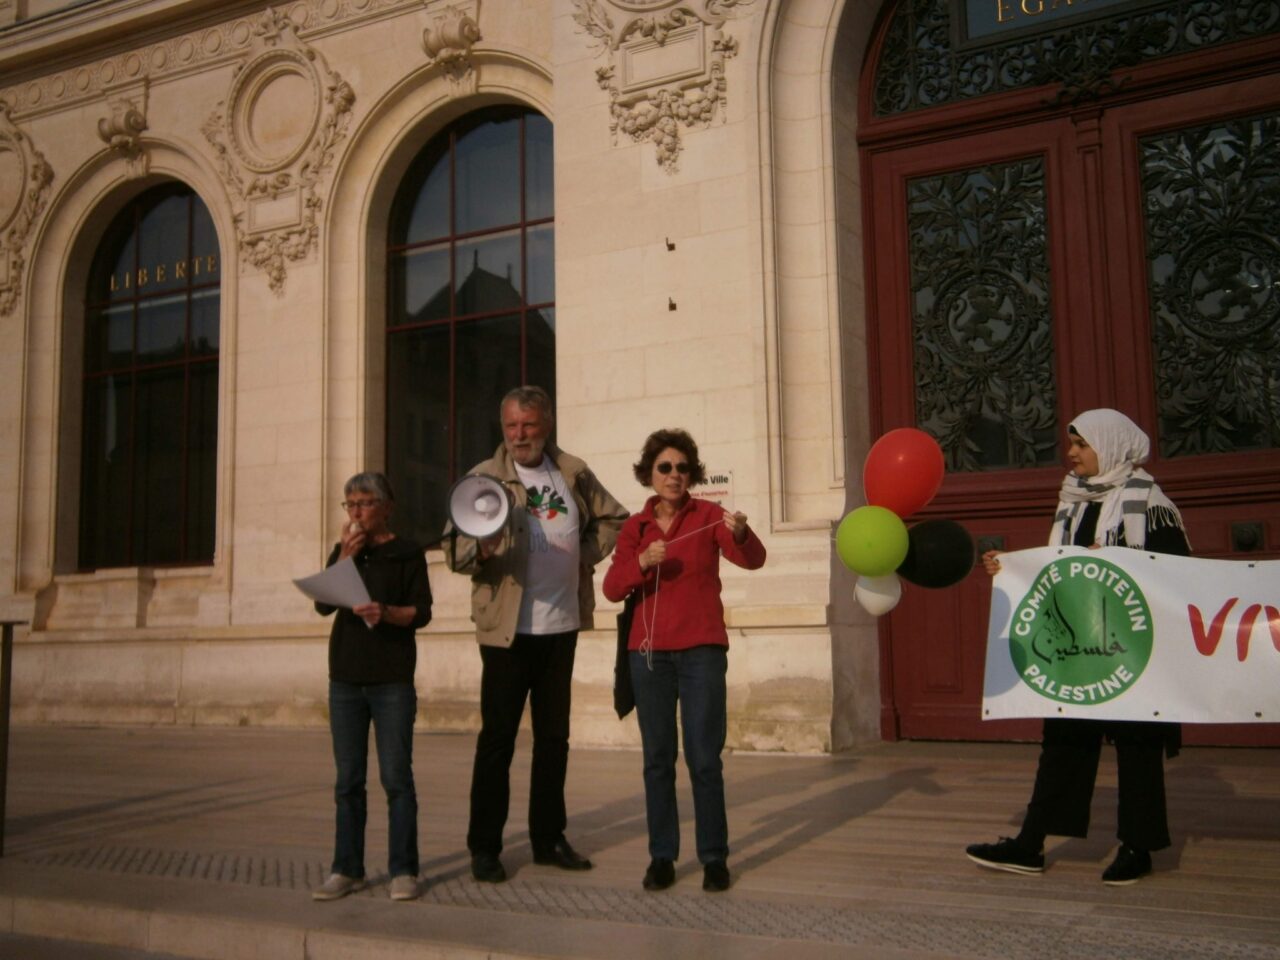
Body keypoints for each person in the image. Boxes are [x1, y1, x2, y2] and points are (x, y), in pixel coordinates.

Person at [966, 409, 1190, 886]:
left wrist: (1118, 560)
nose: (1071, 454)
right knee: (1064, 740)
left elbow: (1176, 572)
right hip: (1081, 648)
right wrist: (1011, 566)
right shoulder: (1073, 502)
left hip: (1132, 647)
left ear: (1109, 445)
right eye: (1072, 444)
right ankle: (1030, 844)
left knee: (1137, 745)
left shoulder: (1150, 504)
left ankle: (1138, 847)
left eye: (1081, 444)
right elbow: (1060, 565)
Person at [444, 386, 628, 883]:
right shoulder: (483, 478)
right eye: (511, 425)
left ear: (546, 425)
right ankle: (485, 847)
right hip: (507, 632)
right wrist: (481, 551)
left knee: (554, 740)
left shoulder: (572, 471)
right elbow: (454, 552)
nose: (519, 434)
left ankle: (548, 839)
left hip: (561, 626)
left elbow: (614, 517)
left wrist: (584, 555)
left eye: (528, 424)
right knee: (497, 742)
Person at [602, 428, 766, 893]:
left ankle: (714, 857)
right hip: (649, 656)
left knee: (703, 758)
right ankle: (662, 856)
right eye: (665, 467)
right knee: (657, 759)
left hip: (701, 652)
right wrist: (642, 563)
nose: (674, 475)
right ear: (649, 474)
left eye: (682, 468)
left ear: (691, 474)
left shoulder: (710, 516)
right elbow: (612, 588)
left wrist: (741, 532)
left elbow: (753, 559)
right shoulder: (636, 528)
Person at [313, 472, 433, 902]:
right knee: (348, 780)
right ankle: (347, 869)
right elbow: (323, 604)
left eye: (364, 503)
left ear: (386, 507)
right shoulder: (346, 551)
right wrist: (344, 557)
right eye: (350, 504)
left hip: (391, 679)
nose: (356, 512)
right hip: (345, 677)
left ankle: (404, 870)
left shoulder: (407, 552)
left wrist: (386, 613)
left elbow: (422, 612)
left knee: (396, 778)